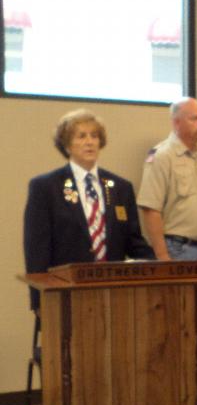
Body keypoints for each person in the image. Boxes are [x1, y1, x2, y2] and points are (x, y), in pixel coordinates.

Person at [137, 98, 197, 399]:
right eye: (194, 119)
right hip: (178, 249)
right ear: (176, 122)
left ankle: (195, 374)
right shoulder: (161, 156)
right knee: (175, 320)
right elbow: (150, 209)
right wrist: (163, 257)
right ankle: (174, 379)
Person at [24, 109, 153, 309]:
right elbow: (37, 249)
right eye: (81, 136)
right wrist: (38, 300)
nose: (90, 142)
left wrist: (159, 266)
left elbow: (133, 241)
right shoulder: (46, 187)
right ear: (67, 145)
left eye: (94, 136)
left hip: (115, 294)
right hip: (65, 294)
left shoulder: (120, 187)